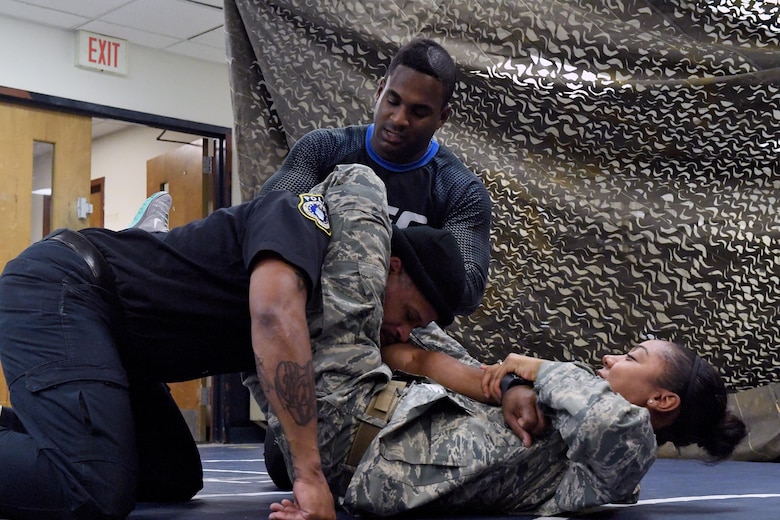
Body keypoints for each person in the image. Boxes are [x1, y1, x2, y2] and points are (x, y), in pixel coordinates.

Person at [0, 164, 465, 519]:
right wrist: (308, 475)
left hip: (122, 347)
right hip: (65, 288)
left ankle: (42, 427)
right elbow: (271, 316)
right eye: (409, 316)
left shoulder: (342, 309)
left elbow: (423, 359)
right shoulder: (302, 219)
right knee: (94, 488)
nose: (403, 331)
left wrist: (505, 383)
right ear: (392, 266)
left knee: (172, 476)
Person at [270, 339, 746, 519]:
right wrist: (518, 381)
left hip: (343, 446)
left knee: (357, 189)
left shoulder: (625, 450)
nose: (610, 358)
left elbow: (612, 419)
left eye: (631, 357)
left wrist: (536, 368)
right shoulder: (566, 408)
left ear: (662, 401)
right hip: (328, 424)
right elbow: (440, 361)